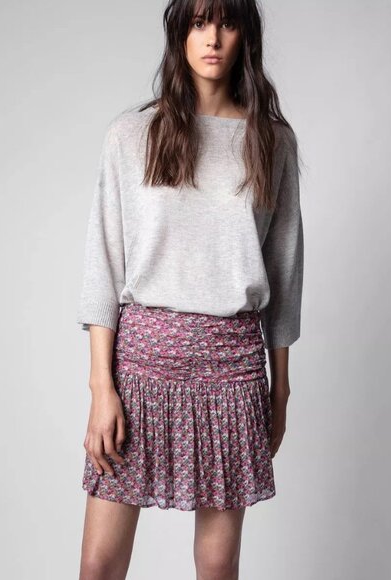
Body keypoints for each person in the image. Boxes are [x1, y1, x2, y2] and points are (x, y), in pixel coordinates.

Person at [76, 0, 304, 578]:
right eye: (199, 22)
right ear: (179, 32)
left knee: (218, 566)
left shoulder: (271, 140)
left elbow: (283, 271)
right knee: (99, 566)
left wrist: (280, 390)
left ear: (245, 34)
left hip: (233, 367)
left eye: (227, 22)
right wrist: (101, 387)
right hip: (141, 365)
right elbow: (104, 264)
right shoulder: (132, 134)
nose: (213, 38)